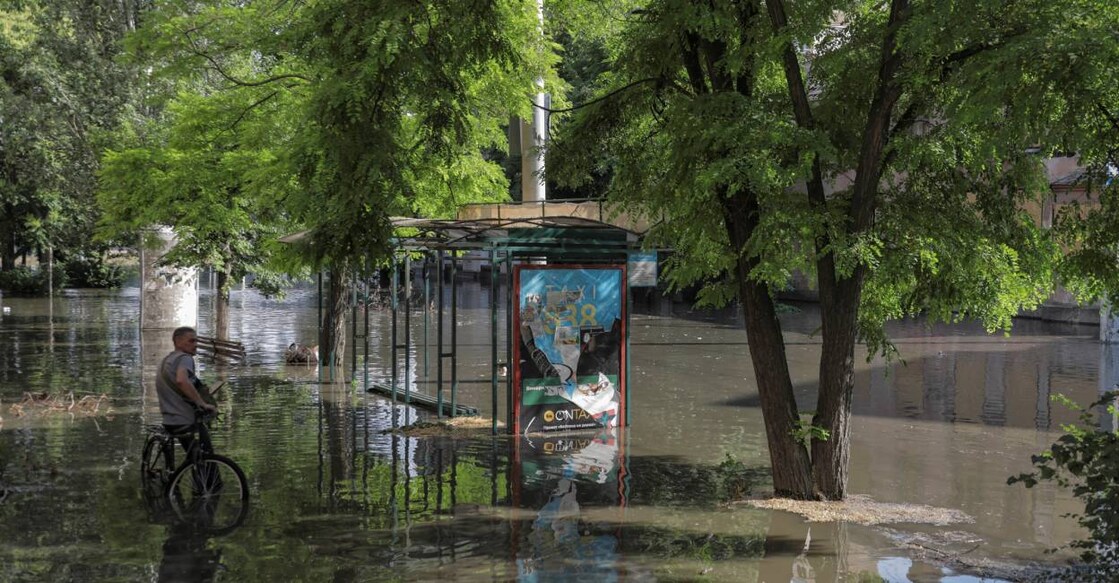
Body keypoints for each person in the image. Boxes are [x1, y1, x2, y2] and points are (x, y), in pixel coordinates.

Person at [156, 326, 217, 457]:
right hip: (184, 420)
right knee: (206, 460)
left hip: (168, 420)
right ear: (178, 341)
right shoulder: (185, 358)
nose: (195, 345)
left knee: (193, 457)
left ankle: (173, 475)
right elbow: (182, 381)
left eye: (196, 341)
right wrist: (203, 404)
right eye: (191, 341)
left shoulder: (165, 361)